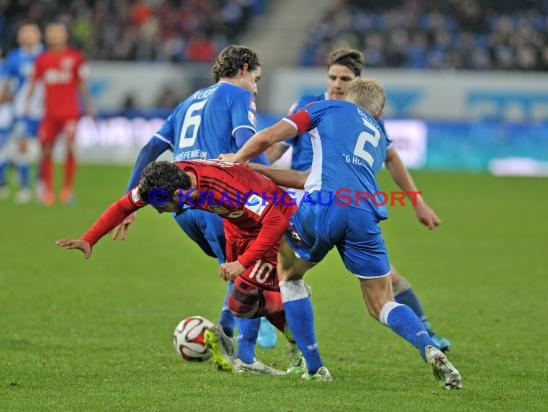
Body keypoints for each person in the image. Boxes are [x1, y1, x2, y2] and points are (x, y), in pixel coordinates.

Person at [220, 79, 462, 389]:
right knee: (381, 302)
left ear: (346, 98)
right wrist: (262, 172)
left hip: (324, 205)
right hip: (365, 212)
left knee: (289, 276)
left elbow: (267, 137)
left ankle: (315, 366)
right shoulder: (376, 135)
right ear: (380, 111)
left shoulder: (327, 107)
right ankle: (427, 346)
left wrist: (238, 160)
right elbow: (309, 178)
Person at [266, 48, 451, 351]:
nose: (337, 84)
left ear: (357, 81)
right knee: (270, 258)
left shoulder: (366, 116)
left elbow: (391, 158)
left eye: (345, 79)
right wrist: (258, 169)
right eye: (333, 77)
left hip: (344, 201)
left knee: (387, 275)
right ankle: (267, 326)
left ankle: (425, 331)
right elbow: (278, 146)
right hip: (304, 196)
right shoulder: (309, 104)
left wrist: (417, 200)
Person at [109, 45, 278, 369]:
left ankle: (226, 337)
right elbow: (250, 142)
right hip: (217, 200)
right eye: (256, 79)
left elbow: (150, 148)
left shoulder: (187, 102)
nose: (255, 87)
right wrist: (276, 185)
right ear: (244, 68)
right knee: (253, 267)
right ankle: (245, 353)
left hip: (183, 212)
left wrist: (130, 202)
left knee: (239, 268)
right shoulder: (238, 95)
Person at [55, 159, 303, 376]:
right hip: (239, 225)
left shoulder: (222, 188)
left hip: (276, 219)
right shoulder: (164, 182)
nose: (160, 212)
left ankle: (303, 352)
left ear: (177, 194)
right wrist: (90, 239)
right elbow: (123, 206)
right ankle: (286, 321)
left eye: (160, 206)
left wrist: (242, 262)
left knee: (246, 294)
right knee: (244, 299)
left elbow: (276, 220)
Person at [26, 22, 95, 205]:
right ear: (47, 36)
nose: (55, 36)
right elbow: (34, 83)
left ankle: (67, 190)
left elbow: (81, 83)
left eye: (58, 33)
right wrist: (27, 103)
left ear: (65, 35)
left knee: (70, 147)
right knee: (45, 150)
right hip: (49, 113)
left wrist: (89, 105)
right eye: (51, 33)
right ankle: (47, 190)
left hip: (69, 112)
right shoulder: (42, 59)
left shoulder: (75, 57)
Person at [0, 22, 43, 203]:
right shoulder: (14, 57)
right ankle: (25, 186)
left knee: (42, 150)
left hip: (44, 110)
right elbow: (5, 82)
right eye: (23, 33)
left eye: (30, 33)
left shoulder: (46, 56)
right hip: (22, 110)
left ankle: (41, 184)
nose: (26, 36)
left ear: (38, 35)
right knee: (22, 147)